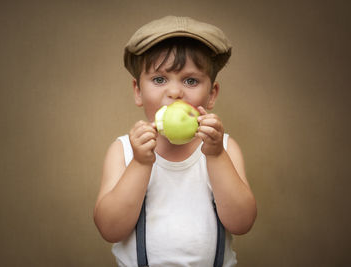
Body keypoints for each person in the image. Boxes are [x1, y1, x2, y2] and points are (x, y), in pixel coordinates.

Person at [94, 16, 257, 267]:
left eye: (190, 80)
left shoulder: (223, 147)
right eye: (159, 79)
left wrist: (215, 156)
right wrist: (139, 163)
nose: (175, 92)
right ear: (138, 91)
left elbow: (242, 222)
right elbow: (109, 229)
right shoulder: (124, 150)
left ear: (211, 94)